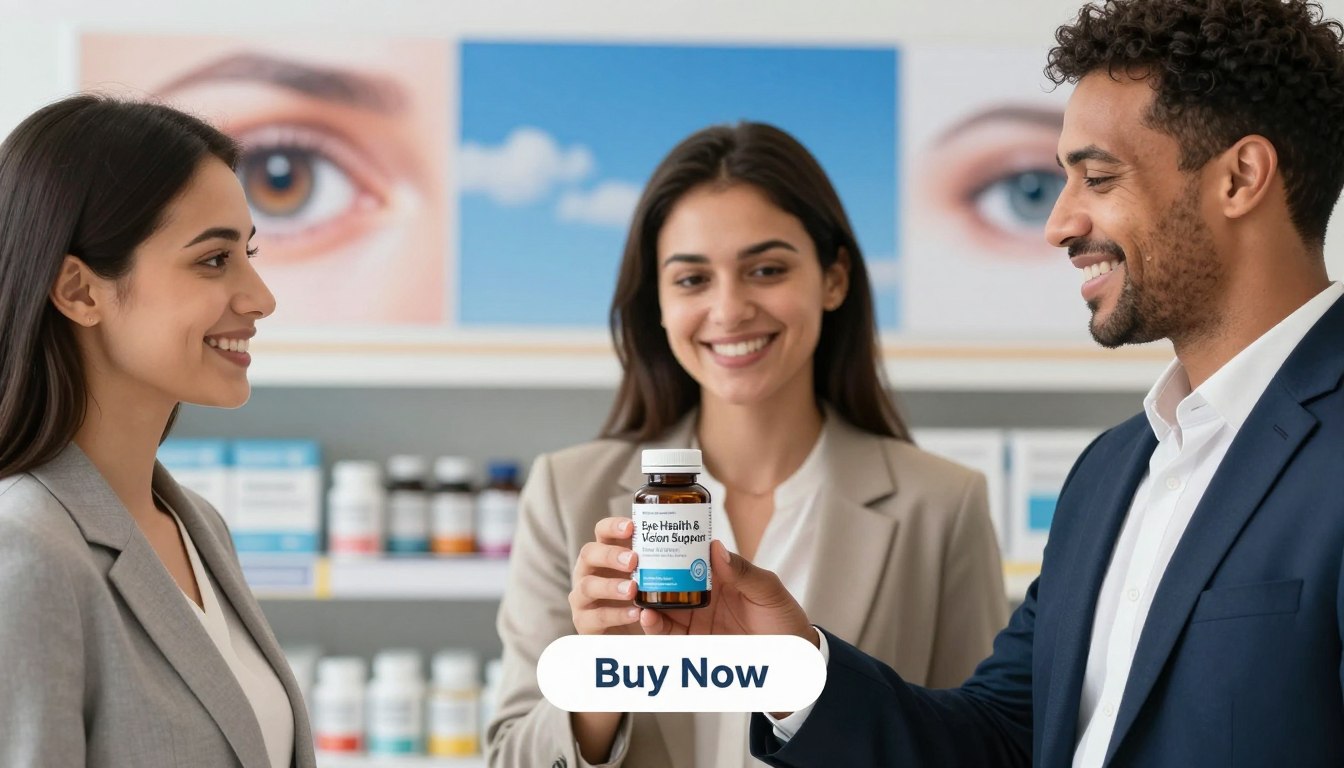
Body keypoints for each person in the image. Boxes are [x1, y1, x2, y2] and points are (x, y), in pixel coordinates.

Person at [593, 1, 1344, 765]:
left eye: (1098, 177)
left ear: (1240, 177)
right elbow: (999, 741)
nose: (1059, 223)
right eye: (1056, 181)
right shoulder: (1110, 474)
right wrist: (795, 669)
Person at [487, 122, 1009, 768]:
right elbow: (510, 756)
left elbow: (981, 750)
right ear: (657, 301)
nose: (729, 309)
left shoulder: (944, 505)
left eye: (766, 270)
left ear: (834, 279)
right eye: (691, 279)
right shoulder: (567, 495)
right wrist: (600, 679)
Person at [0, 95, 315, 768]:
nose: (262, 298)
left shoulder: (197, 524)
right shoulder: (23, 551)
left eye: (248, 252)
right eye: (214, 259)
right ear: (79, 291)